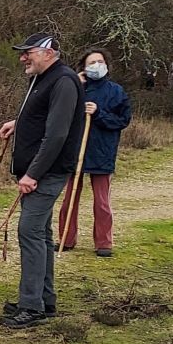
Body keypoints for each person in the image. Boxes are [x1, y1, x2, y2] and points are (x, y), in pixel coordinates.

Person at [0, 32, 85, 329]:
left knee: (29, 232)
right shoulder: (42, 78)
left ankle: (31, 307)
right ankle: (44, 301)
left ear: (48, 53)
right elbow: (41, 117)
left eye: (28, 52)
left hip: (48, 172)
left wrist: (33, 173)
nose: (22, 57)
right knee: (42, 234)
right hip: (39, 171)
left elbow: (57, 133)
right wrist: (17, 123)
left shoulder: (63, 81)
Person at [64, 48, 132, 257]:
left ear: (107, 65)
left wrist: (99, 113)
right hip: (75, 151)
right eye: (91, 62)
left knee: (102, 201)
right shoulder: (76, 88)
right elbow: (60, 113)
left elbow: (123, 120)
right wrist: (73, 86)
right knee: (70, 198)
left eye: (100, 61)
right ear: (84, 67)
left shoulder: (116, 91)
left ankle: (104, 242)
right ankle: (66, 238)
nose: (96, 65)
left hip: (102, 151)